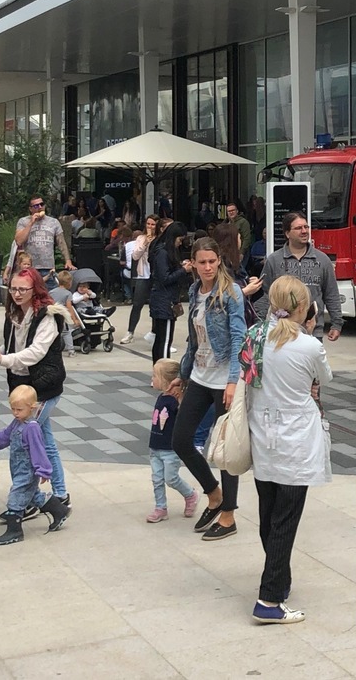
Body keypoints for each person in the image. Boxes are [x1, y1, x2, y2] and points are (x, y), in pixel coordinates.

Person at [246, 275, 333, 624]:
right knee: (286, 519)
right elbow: (323, 378)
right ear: (303, 307)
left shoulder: (254, 337)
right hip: (296, 438)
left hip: (261, 433)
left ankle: (278, 581)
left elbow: (249, 377)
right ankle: (268, 599)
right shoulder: (309, 345)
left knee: (269, 514)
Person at [0, 267, 73, 516]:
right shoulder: (15, 314)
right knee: (45, 440)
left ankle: (31, 499)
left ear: (35, 290)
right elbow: (9, 347)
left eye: (22, 289)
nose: (17, 294)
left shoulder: (48, 316)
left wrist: (4, 359)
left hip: (43, 388)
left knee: (24, 440)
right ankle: (60, 496)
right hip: (25, 387)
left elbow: (34, 353)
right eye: (14, 288)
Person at [171, 237, 247, 541]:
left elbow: (238, 339)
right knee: (181, 439)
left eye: (212, 262)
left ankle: (229, 515)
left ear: (219, 260)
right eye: (201, 262)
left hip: (224, 380)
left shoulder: (231, 293)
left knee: (225, 449)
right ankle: (214, 494)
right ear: (193, 262)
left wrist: (232, 381)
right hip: (201, 376)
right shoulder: (194, 291)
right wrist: (183, 374)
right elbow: (195, 338)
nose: (207, 268)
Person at [0, 384, 70, 544]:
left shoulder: (32, 428)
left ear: (31, 408)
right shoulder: (16, 423)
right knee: (33, 496)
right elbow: (4, 437)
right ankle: (59, 510)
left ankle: (15, 531)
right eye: (13, 409)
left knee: (17, 496)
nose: (15, 413)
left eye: (19, 410)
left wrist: (43, 470)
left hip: (28, 470)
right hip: (18, 468)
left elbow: (39, 450)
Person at [256, 211, 343, 342]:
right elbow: (265, 295)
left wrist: (337, 323)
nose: (304, 231)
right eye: (298, 228)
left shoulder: (322, 260)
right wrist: (261, 324)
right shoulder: (274, 260)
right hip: (281, 331)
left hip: (313, 331)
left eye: (306, 227)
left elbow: (331, 294)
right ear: (287, 233)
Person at [146, 358, 199, 523]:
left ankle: (190, 495)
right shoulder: (161, 397)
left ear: (166, 380)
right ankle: (160, 507)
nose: (152, 379)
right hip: (155, 447)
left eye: (155, 376)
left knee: (171, 478)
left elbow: (186, 417)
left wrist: (181, 398)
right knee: (157, 479)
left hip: (170, 449)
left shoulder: (176, 400)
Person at [148, 221, 193, 362]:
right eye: (179, 240)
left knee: (160, 339)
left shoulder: (161, 251)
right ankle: (164, 372)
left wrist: (180, 266)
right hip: (165, 300)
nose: (180, 243)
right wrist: (183, 270)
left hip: (162, 299)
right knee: (165, 340)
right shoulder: (163, 252)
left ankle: (158, 371)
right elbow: (165, 278)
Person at [13, 194, 74, 289]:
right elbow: (19, 241)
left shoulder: (53, 222)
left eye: (42, 204)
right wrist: (31, 223)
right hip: (30, 267)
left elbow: (61, 242)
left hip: (48, 267)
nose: (40, 207)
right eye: (36, 206)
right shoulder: (23, 221)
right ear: (31, 209)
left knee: (51, 296)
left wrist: (68, 260)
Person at [120, 216, 158, 344]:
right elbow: (135, 255)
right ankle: (130, 332)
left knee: (156, 305)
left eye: (153, 224)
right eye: (148, 224)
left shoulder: (160, 239)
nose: (150, 227)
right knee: (137, 304)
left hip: (156, 275)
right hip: (143, 274)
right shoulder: (141, 238)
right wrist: (145, 243)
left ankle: (155, 332)